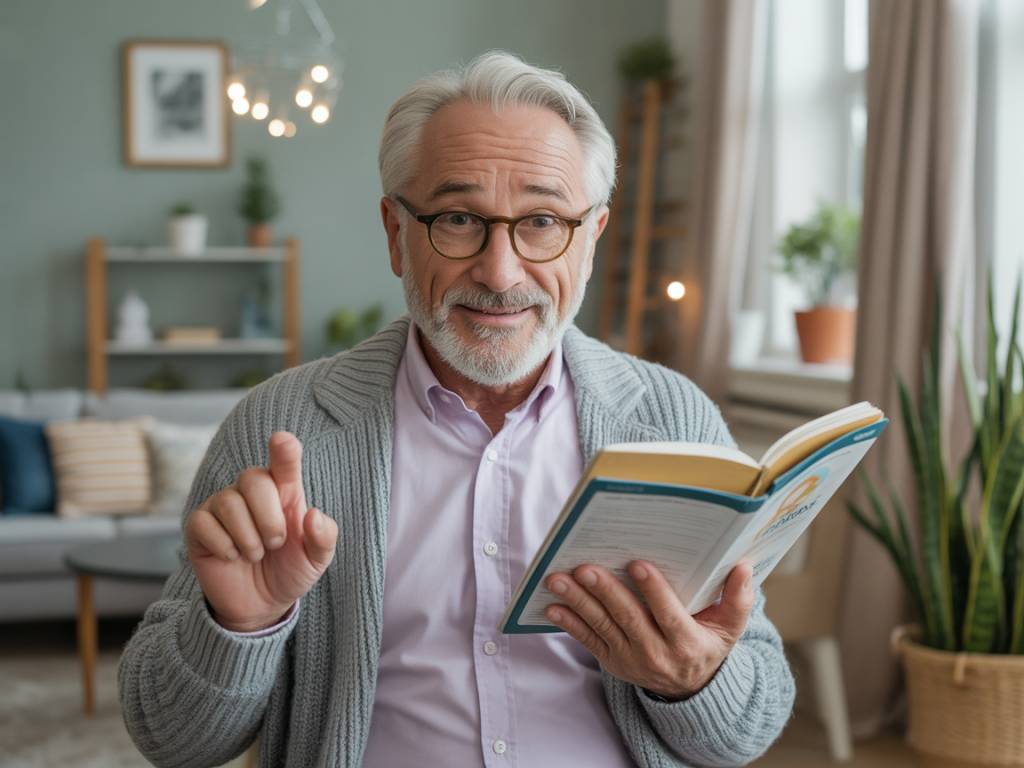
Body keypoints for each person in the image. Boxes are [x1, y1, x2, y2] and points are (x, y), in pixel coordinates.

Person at [119, 51, 794, 768]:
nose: (499, 273)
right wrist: (239, 627)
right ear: (395, 234)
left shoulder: (673, 420)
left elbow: (749, 725)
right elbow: (171, 738)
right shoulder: (281, 428)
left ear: (591, 239)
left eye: (541, 221)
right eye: (459, 218)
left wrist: (695, 679)